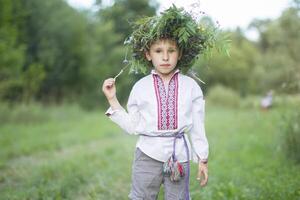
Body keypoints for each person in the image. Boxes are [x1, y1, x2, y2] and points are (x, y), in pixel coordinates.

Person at [102, 5, 220, 200]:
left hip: (179, 156)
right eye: (158, 50)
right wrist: (112, 99)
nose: (165, 57)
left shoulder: (191, 87)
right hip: (147, 154)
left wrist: (203, 158)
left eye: (171, 50)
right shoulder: (140, 87)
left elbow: (198, 125)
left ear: (180, 53)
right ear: (148, 54)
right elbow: (132, 126)